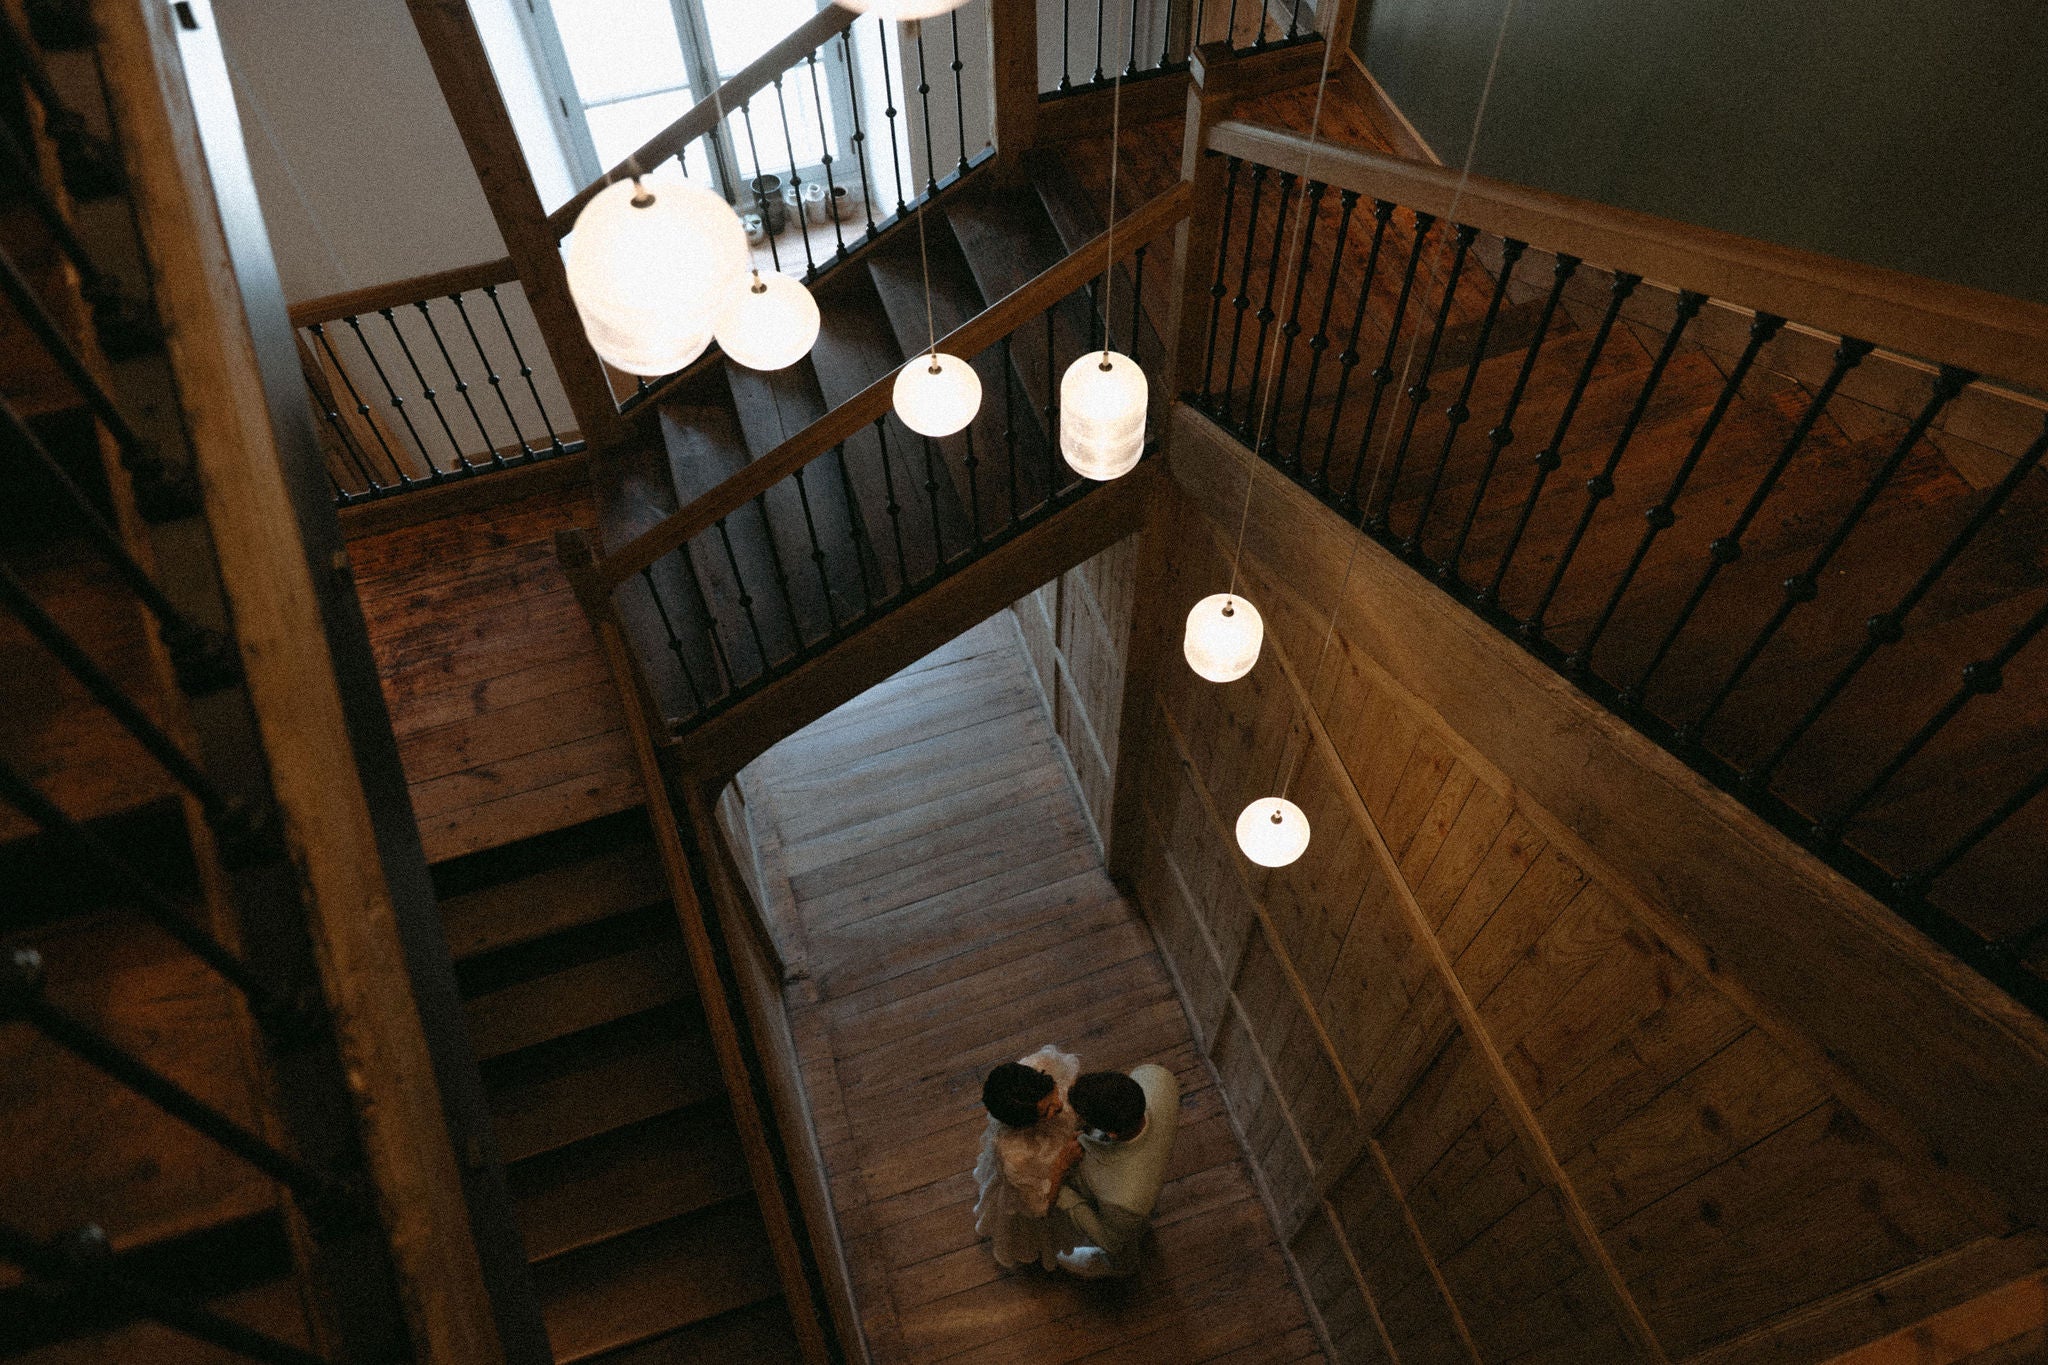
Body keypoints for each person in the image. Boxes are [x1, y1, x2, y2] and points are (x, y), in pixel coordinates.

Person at [1054, 1063, 1180, 1278]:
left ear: (1111, 1134)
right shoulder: (1158, 1078)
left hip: (1129, 1201)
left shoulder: (1123, 1201)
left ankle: (1118, 1266)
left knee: (1122, 1246)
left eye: (1082, 1116)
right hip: (1145, 1174)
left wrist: (1060, 1183)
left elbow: (1109, 1239)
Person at [973, 1044, 1084, 1269]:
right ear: (1024, 1124)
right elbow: (1040, 1208)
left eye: (1052, 1092)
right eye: (1046, 1112)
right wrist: (1062, 1164)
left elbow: (1070, 1077)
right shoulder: (1016, 1155)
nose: (1058, 1105)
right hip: (1045, 1181)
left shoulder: (1040, 1065)